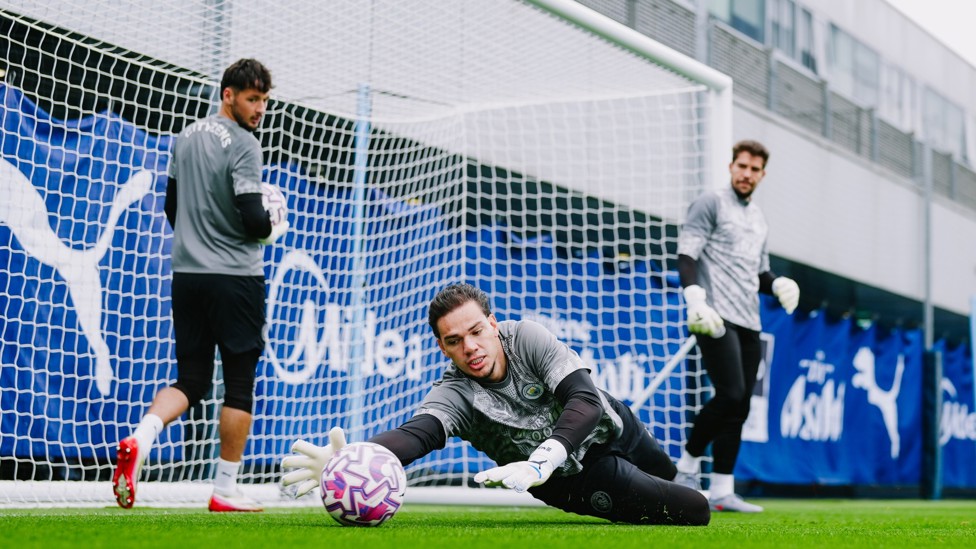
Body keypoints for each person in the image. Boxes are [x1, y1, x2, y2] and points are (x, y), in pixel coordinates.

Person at [281, 283, 711, 526]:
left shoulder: (526, 336)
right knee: (694, 510)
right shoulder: (455, 394)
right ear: (442, 348)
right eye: (454, 341)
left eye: (475, 332)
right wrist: (355, 459)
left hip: (613, 426)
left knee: (677, 481)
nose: (470, 348)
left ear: (492, 323)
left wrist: (542, 457)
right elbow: (417, 435)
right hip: (574, 479)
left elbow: (585, 399)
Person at [113, 58, 287, 512]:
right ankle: (226, 489)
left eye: (265, 100)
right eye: (252, 98)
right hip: (236, 279)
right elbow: (253, 218)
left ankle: (142, 437)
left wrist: (200, 234)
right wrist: (271, 226)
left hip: (186, 276)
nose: (260, 108)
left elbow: (173, 208)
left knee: (191, 379)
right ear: (227, 95)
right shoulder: (246, 145)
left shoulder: (183, 137)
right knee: (239, 385)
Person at [672, 139, 799, 513]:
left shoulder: (759, 218)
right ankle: (685, 470)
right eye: (741, 166)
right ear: (731, 167)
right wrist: (694, 298)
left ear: (762, 174)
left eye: (754, 169)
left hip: (749, 320)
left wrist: (776, 282)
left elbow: (758, 271)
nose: (747, 174)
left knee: (741, 403)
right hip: (713, 316)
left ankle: (723, 491)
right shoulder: (710, 203)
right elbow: (686, 254)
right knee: (730, 393)